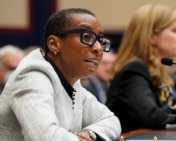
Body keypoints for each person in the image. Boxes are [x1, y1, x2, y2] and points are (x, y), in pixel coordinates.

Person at [0, 8, 121, 141]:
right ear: (54, 44)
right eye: (86, 37)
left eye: (100, 40)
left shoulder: (73, 82)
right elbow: (45, 138)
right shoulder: (32, 77)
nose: (98, 48)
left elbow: (111, 120)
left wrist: (89, 134)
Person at [105, 3, 176, 133]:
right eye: (175, 30)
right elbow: (151, 116)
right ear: (152, 37)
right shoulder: (134, 70)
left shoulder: (158, 71)